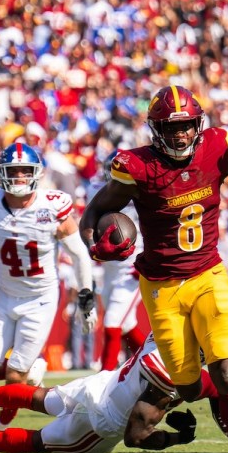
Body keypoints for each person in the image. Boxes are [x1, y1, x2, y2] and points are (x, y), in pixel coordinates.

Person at [79, 85, 228, 453]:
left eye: (185, 127)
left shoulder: (216, 147)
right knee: (190, 386)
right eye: (170, 128)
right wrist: (95, 243)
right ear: (156, 129)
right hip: (161, 286)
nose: (179, 136)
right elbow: (96, 209)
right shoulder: (136, 166)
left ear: (198, 125)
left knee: (227, 370)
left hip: (207, 275)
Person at [0, 333, 228, 453]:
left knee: (38, 397)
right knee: (39, 441)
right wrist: (178, 439)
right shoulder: (173, 377)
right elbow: (136, 438)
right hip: (102, 423)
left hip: (100, 385)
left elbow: (214, 335)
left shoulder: (166, 331)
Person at [0, 143, 96, 431]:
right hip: (4, 296)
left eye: (26, 171)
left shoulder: (52, 205)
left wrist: (86, 295)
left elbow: (78, 254)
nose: (20, 176)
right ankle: (30, 372)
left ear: (37, 174)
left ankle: (0, 426)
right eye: (14, 171)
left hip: (41, 299)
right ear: (1, 173)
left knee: (13, 378)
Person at [86, 151, 145, 371]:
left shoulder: (142, 190)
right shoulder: (96, 189)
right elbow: (90, 221)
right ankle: (161, 368)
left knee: (112, 324)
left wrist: (147, 258)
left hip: (131, 268)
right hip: (109, 268)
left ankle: (105, 379)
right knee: (127, 325)